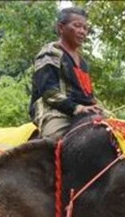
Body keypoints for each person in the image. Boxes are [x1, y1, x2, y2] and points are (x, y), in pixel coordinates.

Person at [29, 7, 101, 139]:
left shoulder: (83, 63)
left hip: (82, 112)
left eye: (85, 28)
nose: (82, 32)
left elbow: (87, 95)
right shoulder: (50, 53)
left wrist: (95, 106)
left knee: (118, 130)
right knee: (55, 138)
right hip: (54, 112)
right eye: (77, 26)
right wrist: (77, 108)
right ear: (61, 28)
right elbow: (49, 92)